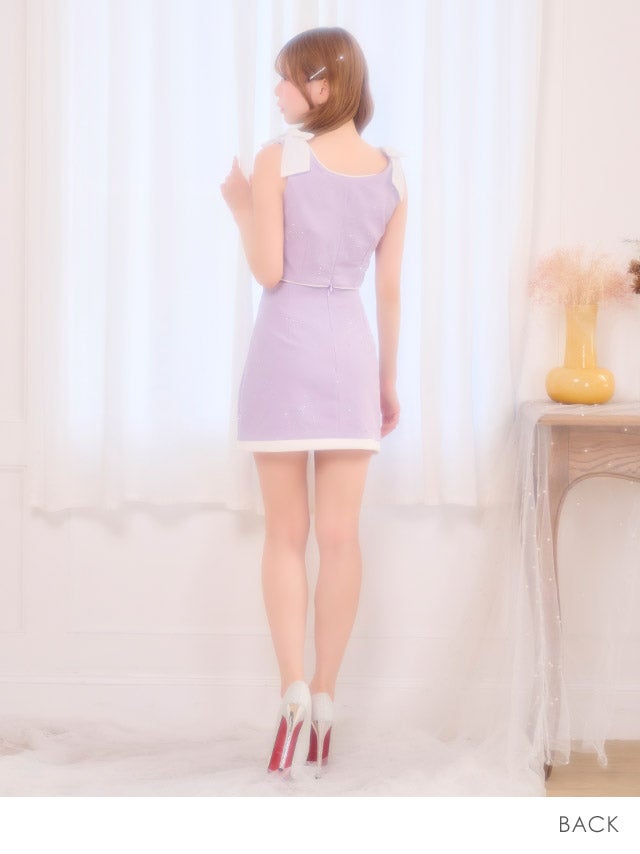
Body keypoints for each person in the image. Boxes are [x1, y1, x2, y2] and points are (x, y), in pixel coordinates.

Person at [220, 26, 407, 777]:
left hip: (284, 352)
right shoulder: (393, 172)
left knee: (284, 535)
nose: (276, 91)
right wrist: (387, 382)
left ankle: (292, 686)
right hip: (350, 356)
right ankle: (327, 694)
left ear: (322, 85)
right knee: (341, 538)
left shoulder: (280, 160)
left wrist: (241, 207)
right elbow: (389, 292)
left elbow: (269, 271)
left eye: (288, 79)